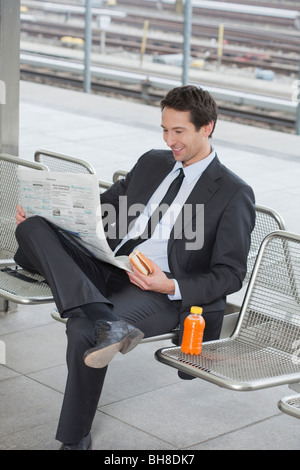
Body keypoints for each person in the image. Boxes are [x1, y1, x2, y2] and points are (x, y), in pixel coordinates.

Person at [14, 85, 255, 450]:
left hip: (157, 289)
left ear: (207, 128)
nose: (169, 140)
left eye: (178, 131)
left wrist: (167, 285)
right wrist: (51, 210)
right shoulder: (154, 162)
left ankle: (74, 437)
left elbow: (231, 275)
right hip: (107, 264)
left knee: (83, 330)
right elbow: (104, 206)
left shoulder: (233, 193)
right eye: (164, 129)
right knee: (32, 226)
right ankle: (101, 314)